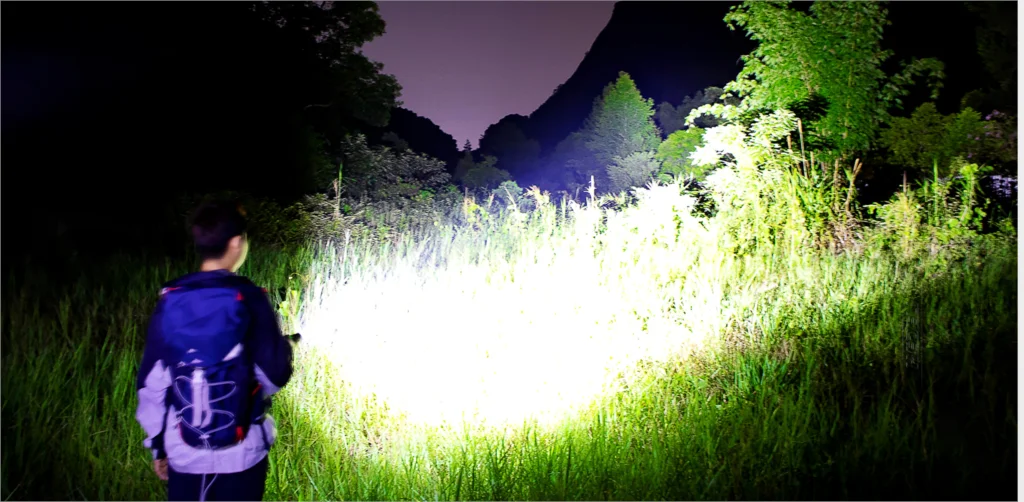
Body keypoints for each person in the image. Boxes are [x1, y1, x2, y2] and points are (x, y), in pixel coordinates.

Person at [135, 200, 294, 501]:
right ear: (236, 243)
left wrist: (158, 445)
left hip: (184, 452)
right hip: (243, 454)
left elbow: (152, 384)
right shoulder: (250, 297)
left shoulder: (171, 299)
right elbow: (275, 376)